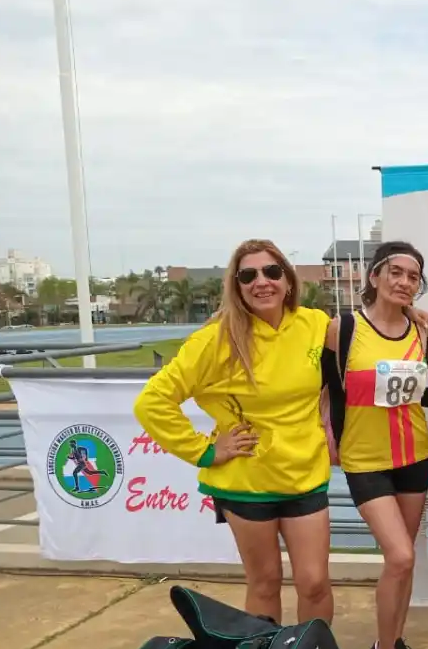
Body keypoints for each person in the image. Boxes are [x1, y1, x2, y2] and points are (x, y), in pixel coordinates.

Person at [134, 239, 333, 625]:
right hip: (246, 482)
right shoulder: (215, 339)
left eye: (272, 272)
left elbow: (369, 336)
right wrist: (206, 452)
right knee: (265, 583)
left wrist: (411, 313)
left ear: (288, 281)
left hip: (306, 475)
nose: (262, 282)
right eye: (248, 275)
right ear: (237, 286)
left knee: (315, 583)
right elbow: (152, 402)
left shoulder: (314, 324)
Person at [322, 241, 428, 649]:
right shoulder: (343, 328)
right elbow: (326, 385)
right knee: (400, 553)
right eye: (396, 272)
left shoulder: (424, 333)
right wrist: (327, 432)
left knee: (403, 563)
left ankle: (394, 644)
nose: (404, 282)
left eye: (413, 276)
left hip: (414, 454)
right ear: (374, 277)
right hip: (365, 459)